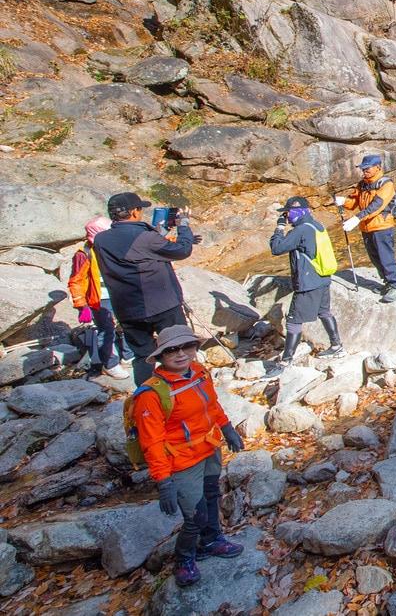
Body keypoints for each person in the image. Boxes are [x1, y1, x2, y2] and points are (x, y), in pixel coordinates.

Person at [131, 325, 244, 588]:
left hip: (209, 449)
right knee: (195, 516)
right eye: (172, 350)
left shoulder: (199, 372)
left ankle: (212, 540)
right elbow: (152, 441)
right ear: (160, 356)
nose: (181, 354)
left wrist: (227, 429)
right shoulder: (152, 394)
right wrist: (163, 481)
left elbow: (212, 404)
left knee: (212, 497)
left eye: (187, 347)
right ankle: (184, 559)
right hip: (181, 462)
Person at [93, 192, 196, 387]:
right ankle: (185, 390)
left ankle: (147, 398)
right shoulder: (144, 237)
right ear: (133, 212)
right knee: (178, 348)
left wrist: (159, 234)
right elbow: (182, 251)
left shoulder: (101, 240)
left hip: (127, 310)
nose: (141, 213)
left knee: (142, 357)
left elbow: (135, 256)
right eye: (140, 209)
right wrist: (183, 225)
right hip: (161, 304)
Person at [268, 197, 345, 368]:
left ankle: (285, 362)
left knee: (293, 321)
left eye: (287, 213)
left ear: (296, 212)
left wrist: (279, 228)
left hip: (308, 283)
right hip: (322, 277)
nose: (286, 217)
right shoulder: (316, 225)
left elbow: (277, 248)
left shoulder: (301, 230)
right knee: (324, 311)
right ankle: (337, 346)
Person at [67, 216, 131, 379]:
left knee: (126, 324)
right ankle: (110, 363)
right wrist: (81, 305)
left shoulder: (114, 247)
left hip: (119, 293)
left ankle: (128, 355)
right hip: (100, 298)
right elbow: (76, 280)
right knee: (106, 330)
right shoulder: (85, 253)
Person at [337, 155, 396, 303]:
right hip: (366, 228)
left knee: (386, 257)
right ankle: (386, 284)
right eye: (363, 168)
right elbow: (353, 202)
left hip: (382, 226)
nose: (364, 170)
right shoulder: (363, 184)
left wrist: (357, 218)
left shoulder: (386, 184)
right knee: (375, 257)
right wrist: (343, 201)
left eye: (367, 168)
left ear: (378, 167)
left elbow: (376, 206)